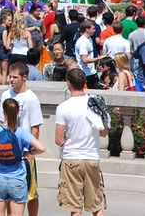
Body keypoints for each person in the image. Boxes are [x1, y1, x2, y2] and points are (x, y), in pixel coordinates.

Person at [0, 98, 46, 216]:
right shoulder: (21, 132)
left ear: (3, 111)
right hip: (17, 179)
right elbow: (41, 148)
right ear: (18, 111)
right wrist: (28, 153)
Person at [55, 68, 108, 216]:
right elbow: (104, 133)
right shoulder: (96, 103)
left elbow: (58, 140)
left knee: (75, 207)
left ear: (68, 83)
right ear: (85, 82)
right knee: (96, 206)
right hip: (92, 157)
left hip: (71, 157)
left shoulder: (63, 107)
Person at [0, 62, 44, 216]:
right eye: (10, 77)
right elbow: (1, 123)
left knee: (31, 192)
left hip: (24, 153)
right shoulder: (6, 95)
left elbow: (35, 128)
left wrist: (30, 152)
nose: (11, 80)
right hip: (7, 152)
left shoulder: (31, 98)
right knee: (8, 192)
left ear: (24, 77)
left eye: (15, 77)